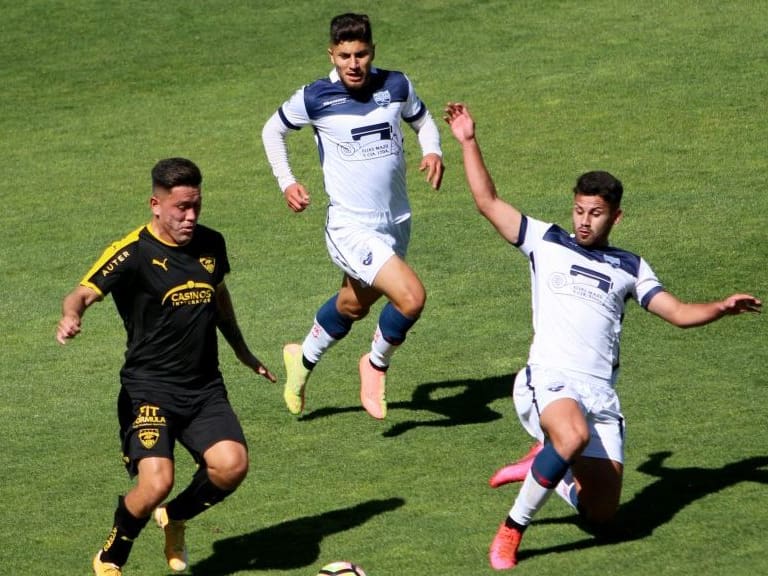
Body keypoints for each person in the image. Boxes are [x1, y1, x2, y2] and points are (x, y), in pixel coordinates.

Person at [443, 103, 762, 570]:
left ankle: (547, 466)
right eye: (579, 210)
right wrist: (469, 141)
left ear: (616, 216)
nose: (584, 221)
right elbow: (488, 203)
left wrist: (719, 308)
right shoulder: (546, 242)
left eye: (596, 213)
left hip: (600, 394)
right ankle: (512, 531)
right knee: (570, 434)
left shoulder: (630, 267)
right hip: (550, 377)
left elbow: (674, 312)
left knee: (603, 515)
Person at [56, 158, 277, 576]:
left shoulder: (212, 244)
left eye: (196, 206)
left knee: (231, 466)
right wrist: (72, 316)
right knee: (156, 482)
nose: (190, 217)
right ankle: (111, 557)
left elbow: (220, 300)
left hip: (203, 386)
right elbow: (82, 292)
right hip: (149, 388)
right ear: (155, 204)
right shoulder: (133, 252)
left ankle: (174, 518)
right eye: (181, 208)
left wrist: (242, 351)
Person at [262, 13, 444, 419]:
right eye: (345, 56)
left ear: (371, 52)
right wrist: (287, 181)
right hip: (350, 227)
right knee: (411, 297)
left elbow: (423, 120)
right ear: (332, 54)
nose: (354, 63)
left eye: (361, 54)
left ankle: (301, 359)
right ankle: (375, 364)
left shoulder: (396, 85)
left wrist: (433, 150)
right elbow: (272, 131)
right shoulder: (315, 97)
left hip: (396, 224)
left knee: (353, 305)